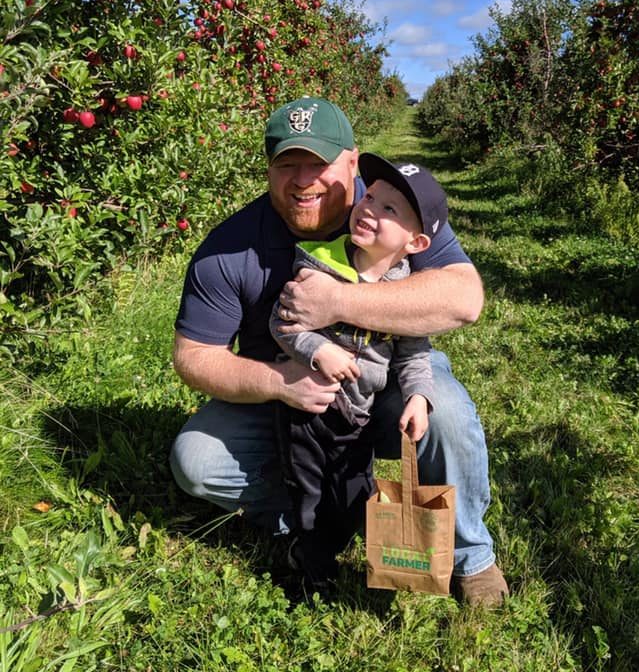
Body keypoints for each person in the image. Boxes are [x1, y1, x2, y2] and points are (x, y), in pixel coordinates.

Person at [170, 95, 509, 607]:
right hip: (292, 402)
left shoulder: (394, 208)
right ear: (268, 168)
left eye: (319, 163)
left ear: (352, 162)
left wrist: (339, 300)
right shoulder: (230, 248)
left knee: (447, 412)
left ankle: (471, 558)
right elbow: (192, 356)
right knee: (196, 461)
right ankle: (326, 516)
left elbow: (465, 299)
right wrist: (280, 381)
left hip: (386, 380)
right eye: (288, 164)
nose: (303, 180)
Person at [269, 152, 447, 592]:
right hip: (307, 413)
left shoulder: (407, 293)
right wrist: (317, 351)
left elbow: (414, 354)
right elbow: (283, 322)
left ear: (415, 243)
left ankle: (330, 549)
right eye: (369, 197)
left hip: (359, 417)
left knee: (352, 497)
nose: (369, 208)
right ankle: (314, 575)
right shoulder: (319, 263)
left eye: (389, 209)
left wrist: (419, 397)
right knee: (309, 495)